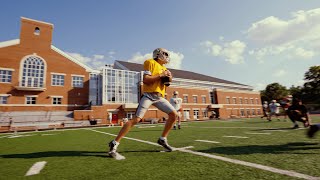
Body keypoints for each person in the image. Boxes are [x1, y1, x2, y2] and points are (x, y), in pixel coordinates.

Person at [108, 48, 178, 158]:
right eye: (165, 54)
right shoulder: (150, 62)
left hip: (160, 97)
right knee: (136, 119)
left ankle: (162, 139)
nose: (167, 56)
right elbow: (146, 80)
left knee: (174, 114)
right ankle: (114, 143)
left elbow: (167, 84)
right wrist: (161, 75)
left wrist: (169, 77)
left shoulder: (164, 68)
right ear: (159, 54)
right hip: (149, 95)